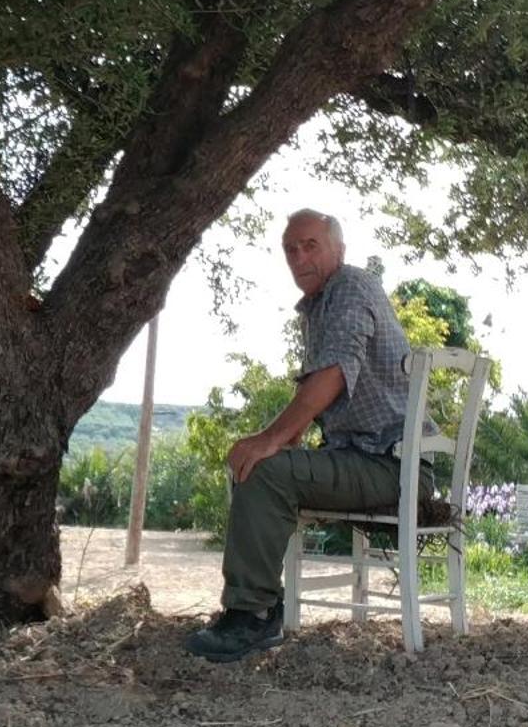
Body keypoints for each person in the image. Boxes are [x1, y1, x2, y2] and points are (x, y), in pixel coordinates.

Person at [184, 209, 435, 662]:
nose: (299, 256)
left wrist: (271, 438)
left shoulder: (350, 286)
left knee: (262, 468)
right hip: (370, 459)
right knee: (264, 461)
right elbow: (322, 383)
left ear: (339, 249)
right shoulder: (323, 304)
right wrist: (287, 433)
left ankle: (252, 615)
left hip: (392, 466)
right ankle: (260, 604)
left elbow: (335, 372)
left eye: (310, 245)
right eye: (290, 249)